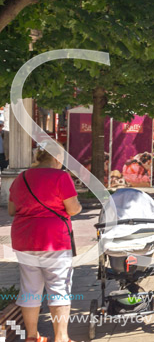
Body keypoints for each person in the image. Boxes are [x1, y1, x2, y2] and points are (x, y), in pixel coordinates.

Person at [9, 143, 82, 342]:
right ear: (57, 158)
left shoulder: (21, 177)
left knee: (30, 288)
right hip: (54, 240)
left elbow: (11, 210)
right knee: (59, 286)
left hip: (24, 238)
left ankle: (32, 337)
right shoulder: (61, 177)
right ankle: (61, 337)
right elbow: (73, 209)